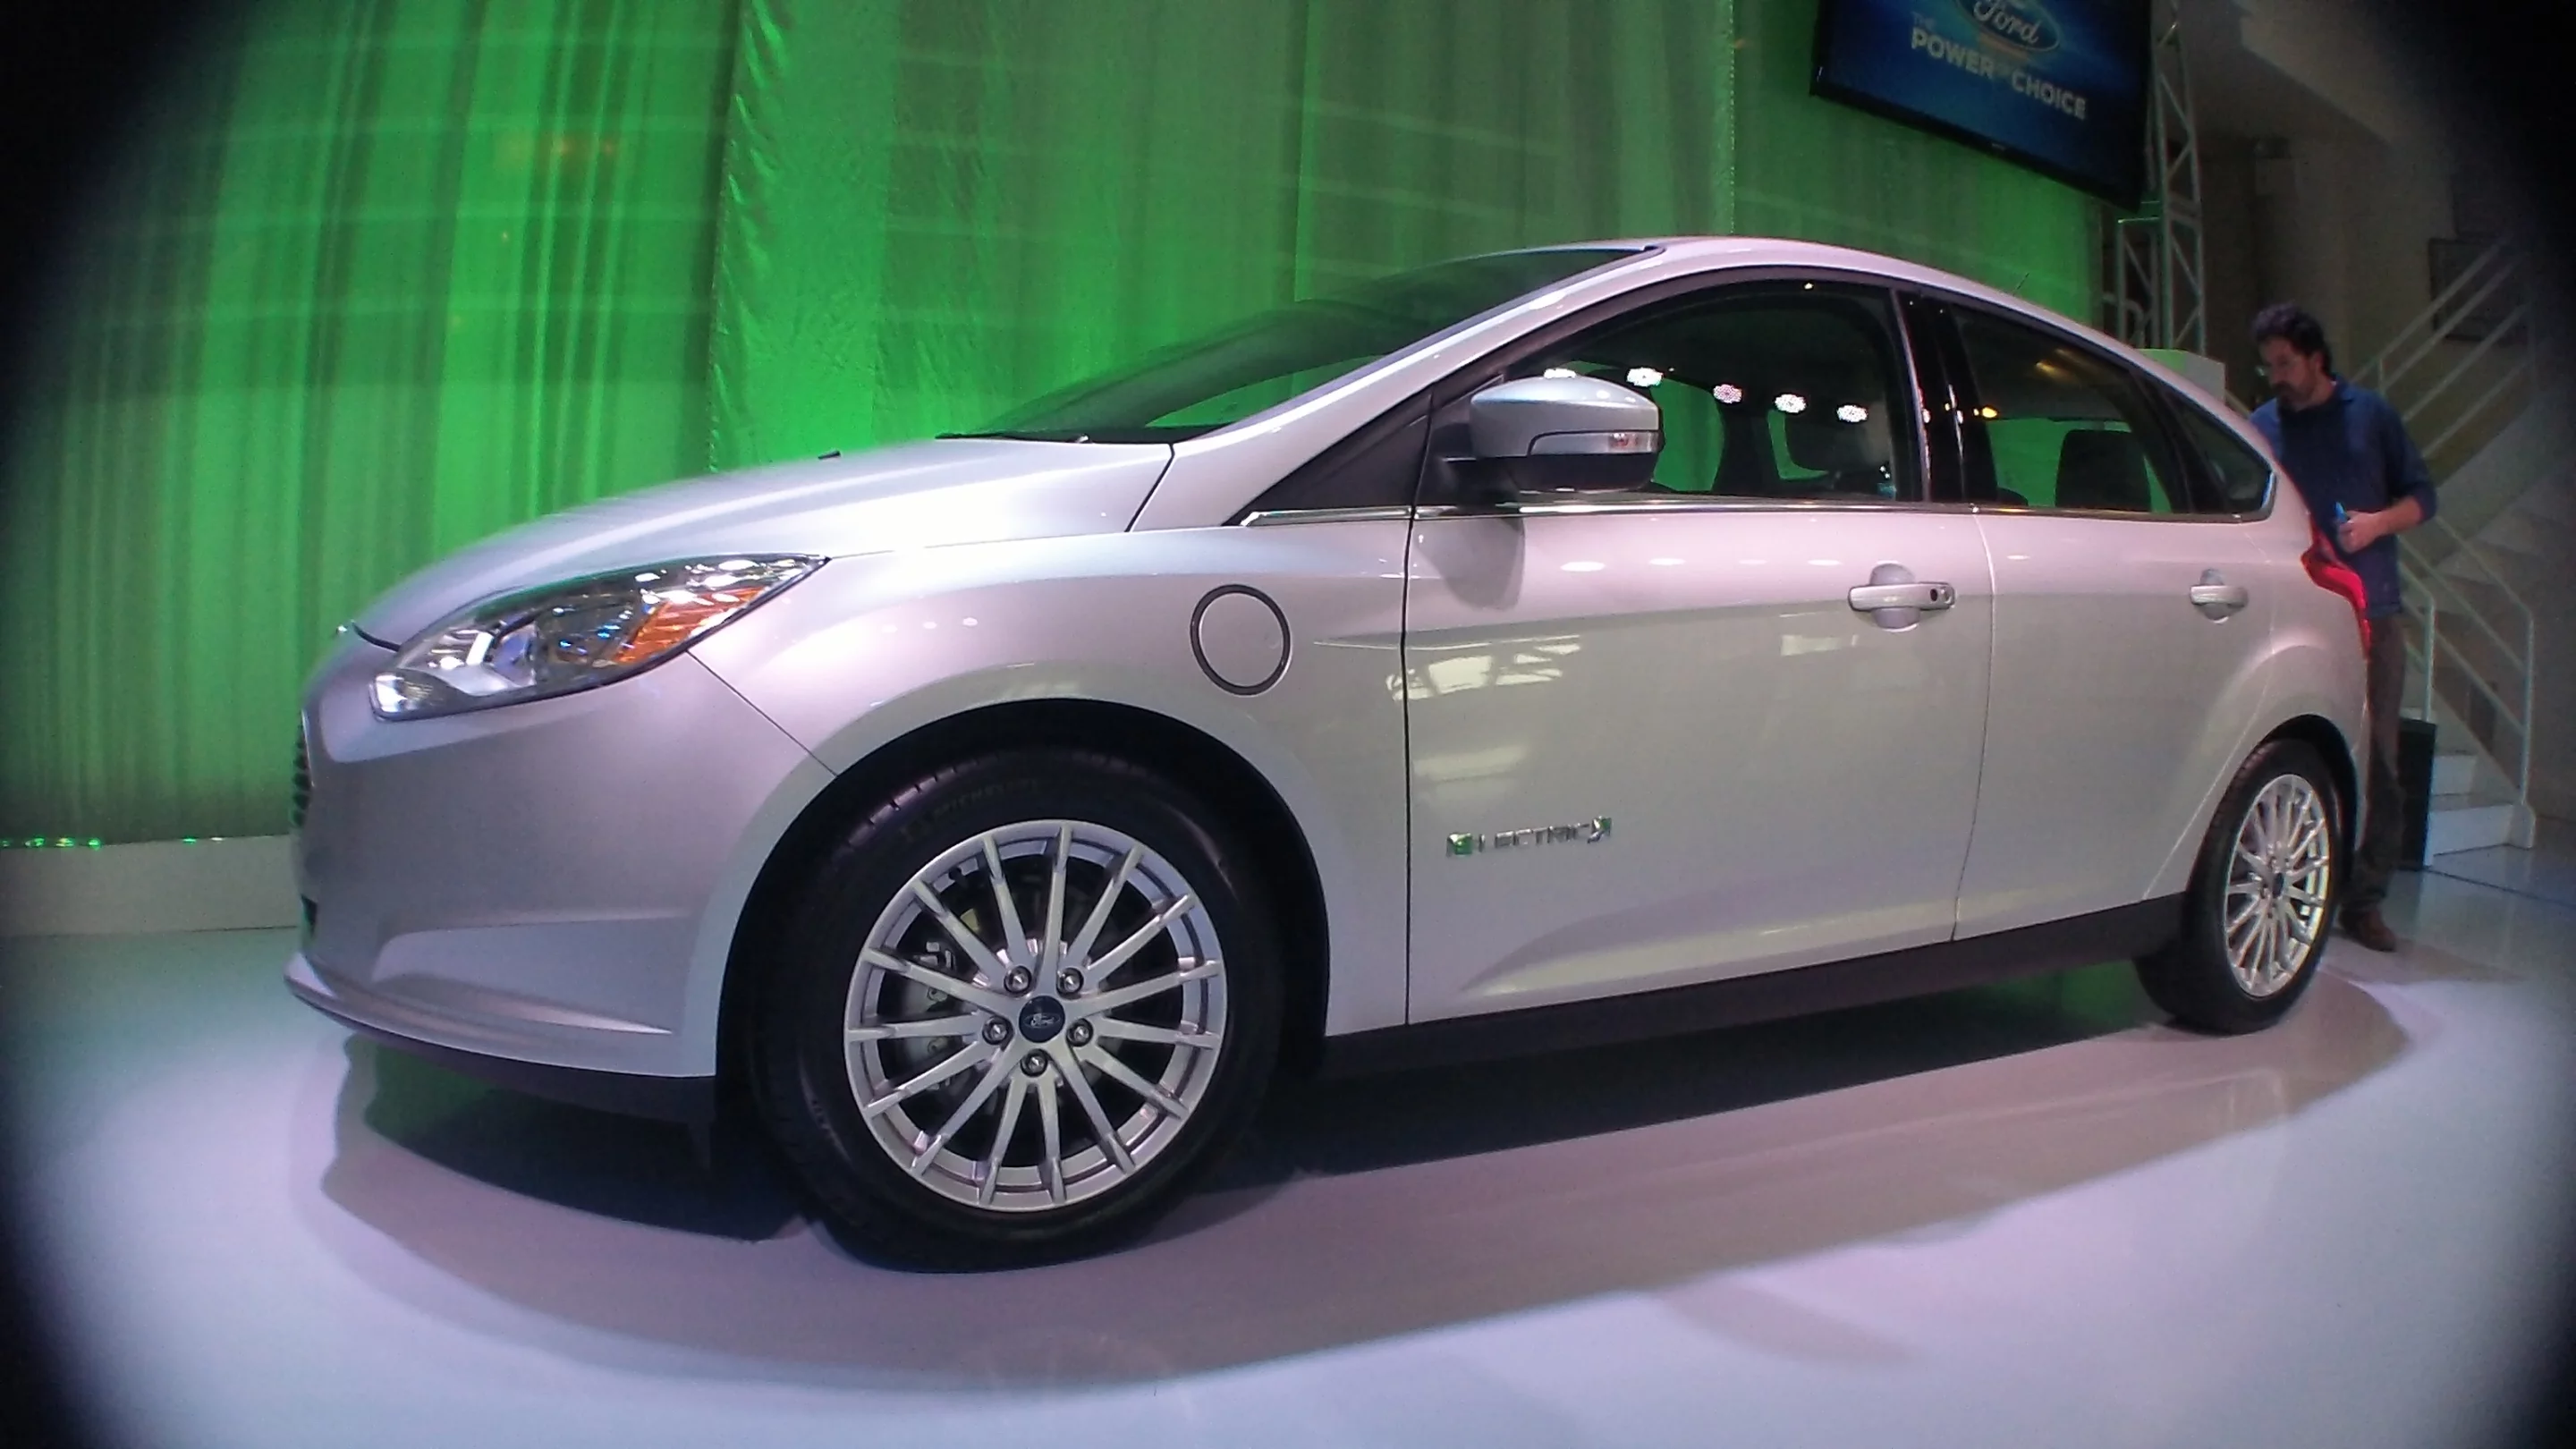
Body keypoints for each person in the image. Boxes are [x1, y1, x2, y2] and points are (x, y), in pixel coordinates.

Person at [2249, 302, 2438, 953]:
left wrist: (2376, 524)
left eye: (2284, 364)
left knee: (2379, 758)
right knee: (2293, 751)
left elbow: (2423, 497)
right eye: (2267, 365)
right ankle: (2301, 890)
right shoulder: (2263, 427)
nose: (2275, 376)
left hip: (2372, 614)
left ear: (2315, 358)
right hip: (2297, 609)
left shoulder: (2371, 417)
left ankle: (2366, 900)